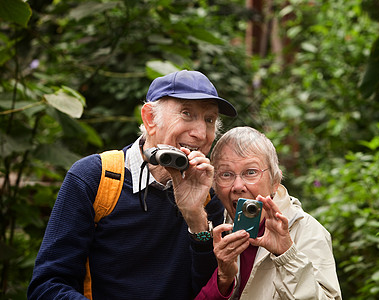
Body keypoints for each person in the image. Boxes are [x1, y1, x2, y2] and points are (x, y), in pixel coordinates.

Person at [28, 70, 237, 299]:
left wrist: (196, 218)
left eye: (209, 120)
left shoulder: (209, 195)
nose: (200, 133)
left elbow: (204, 292)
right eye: (187, 113)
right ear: (150, 119)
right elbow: (46, 286)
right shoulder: (95, 178)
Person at [195, 126, 342, 300]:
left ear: (275, 181)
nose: (238, 186)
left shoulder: (306, 230)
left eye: (251, 172)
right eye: (226, 174)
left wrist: (287, 255)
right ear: (215, 184)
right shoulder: (216, 228)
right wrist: (224, 278)